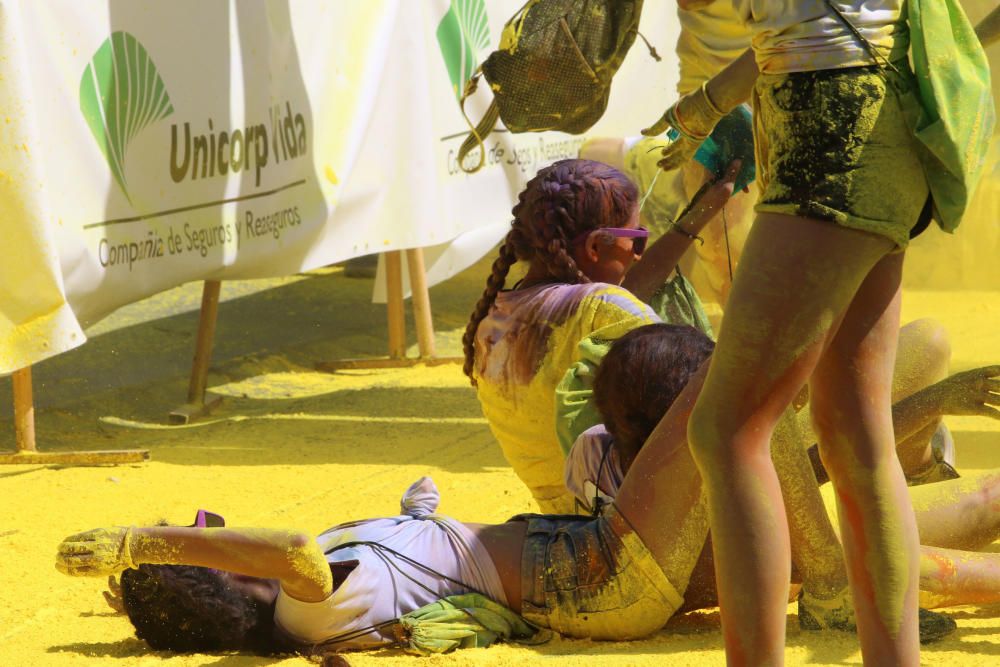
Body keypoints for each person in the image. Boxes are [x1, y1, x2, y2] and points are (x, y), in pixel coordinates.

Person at [643, 1, 941, 661]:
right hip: (863, 114)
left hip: (827, 124)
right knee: (854, 436)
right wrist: (711, 102)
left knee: (726, 431)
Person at [564, 324, 1000, 617]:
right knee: (988, 501)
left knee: (928, 341)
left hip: (808, 527)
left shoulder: (596, 450)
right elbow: (818, 476)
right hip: (820, 544)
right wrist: (935, 402)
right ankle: (919, 472)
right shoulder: (704, 504)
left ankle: (920, 470)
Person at [462, 157, 739, 513]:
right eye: (637, 241)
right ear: (594, 247)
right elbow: (711, 395)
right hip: (634, 521)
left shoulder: (494, 320)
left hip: (565, 522)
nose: (639, 256)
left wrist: (697, 216)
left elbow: (604, 301)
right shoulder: (602, 309)